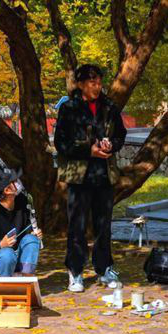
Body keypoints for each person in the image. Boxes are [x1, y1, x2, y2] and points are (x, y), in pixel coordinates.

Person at [55, 64, 127, 293]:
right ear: (80, 84)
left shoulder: (109, 107)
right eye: (92, 82)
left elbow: (121, 134)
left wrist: (111, 145)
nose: (97, 87)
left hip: (104, 174)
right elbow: (61, 143)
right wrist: (89, 150)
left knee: (103, 225)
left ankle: (104, 268)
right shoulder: (69, 108)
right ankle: (75, 271)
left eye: (99, 82)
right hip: (79, 176)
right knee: (77, 225)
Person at [0, 168, 43, 276]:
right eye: (14, 181)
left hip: (18, 257)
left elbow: (27, 228)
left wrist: (34, 233)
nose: (18, 182)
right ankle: (5, 284)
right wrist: (1, 244)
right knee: (7, 254)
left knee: (32, 240)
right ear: (7, 190)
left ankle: (26, 279)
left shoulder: (23, 202)